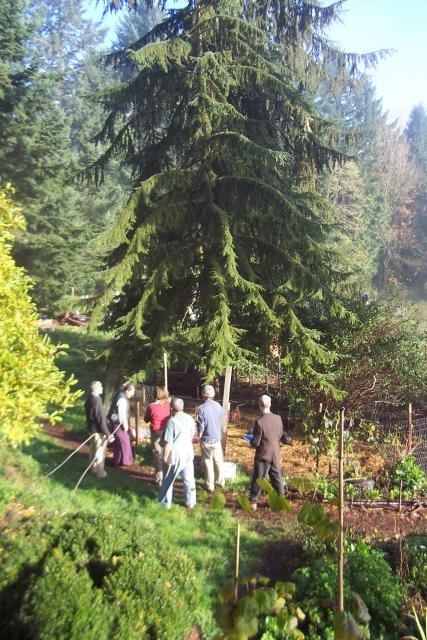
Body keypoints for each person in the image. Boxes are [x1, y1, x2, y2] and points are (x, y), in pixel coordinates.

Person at [158, 397, 197, 509]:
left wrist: (165, 457)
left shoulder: (171, 422)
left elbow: (168, 442)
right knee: (189, 479)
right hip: (189, 451)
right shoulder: (190, 418)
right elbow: (192, 434)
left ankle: (165, 504)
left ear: (171, 408)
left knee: (169, 479)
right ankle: (190, 502)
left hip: (176, 453)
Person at [249, 394, 285, 511]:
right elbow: (280, 435)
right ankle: (281, 501)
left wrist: (251, 441)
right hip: (275, 453)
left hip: (263, 455)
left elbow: (256, 442)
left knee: (259, 478)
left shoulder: (259, 422)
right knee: (277, 477)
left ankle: (253, 502)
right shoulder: (278, 418)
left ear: (260, 405)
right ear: (270, 405)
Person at [196, 384, 224, 492]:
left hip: (206, 440)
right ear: (213, 395)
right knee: (218, 461)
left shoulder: (201, 409)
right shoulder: (219, 406)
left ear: (203, 395)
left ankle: (209, 485)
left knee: (208, 462)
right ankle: (220, 482)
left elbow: (200, 426)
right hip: (217, 439)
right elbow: (220, 421)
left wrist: (198, 437)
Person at [84, 381, 114, 478]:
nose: (102, 388)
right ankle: (100, 472)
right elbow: (100, 419)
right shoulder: (97, 400)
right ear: (96, 388)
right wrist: (108, 434)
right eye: (101, 386)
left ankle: (92, 469)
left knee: (93, 450)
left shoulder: (90, 397)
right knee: (99, 452)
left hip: (91, 429)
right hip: (97, 431)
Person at [144, 386, 171, 484]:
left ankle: (159, 476)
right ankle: (167, 473)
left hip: (156, 432)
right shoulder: (168, 405)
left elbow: (146, 419)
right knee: (167, 452)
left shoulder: (151, 406)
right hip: (167, 431)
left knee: (157, 454)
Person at [108, 383, 135, 467]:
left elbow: (121, 387)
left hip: (114, 422)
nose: (133, 394)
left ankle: (118, 461)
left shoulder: (120, 393)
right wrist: (125, 426)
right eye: (132, 392)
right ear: (127, 391)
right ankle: (125, 461)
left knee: (118, 442)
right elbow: (121, 414)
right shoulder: (122, 399)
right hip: (118, 423)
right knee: (125, 441)